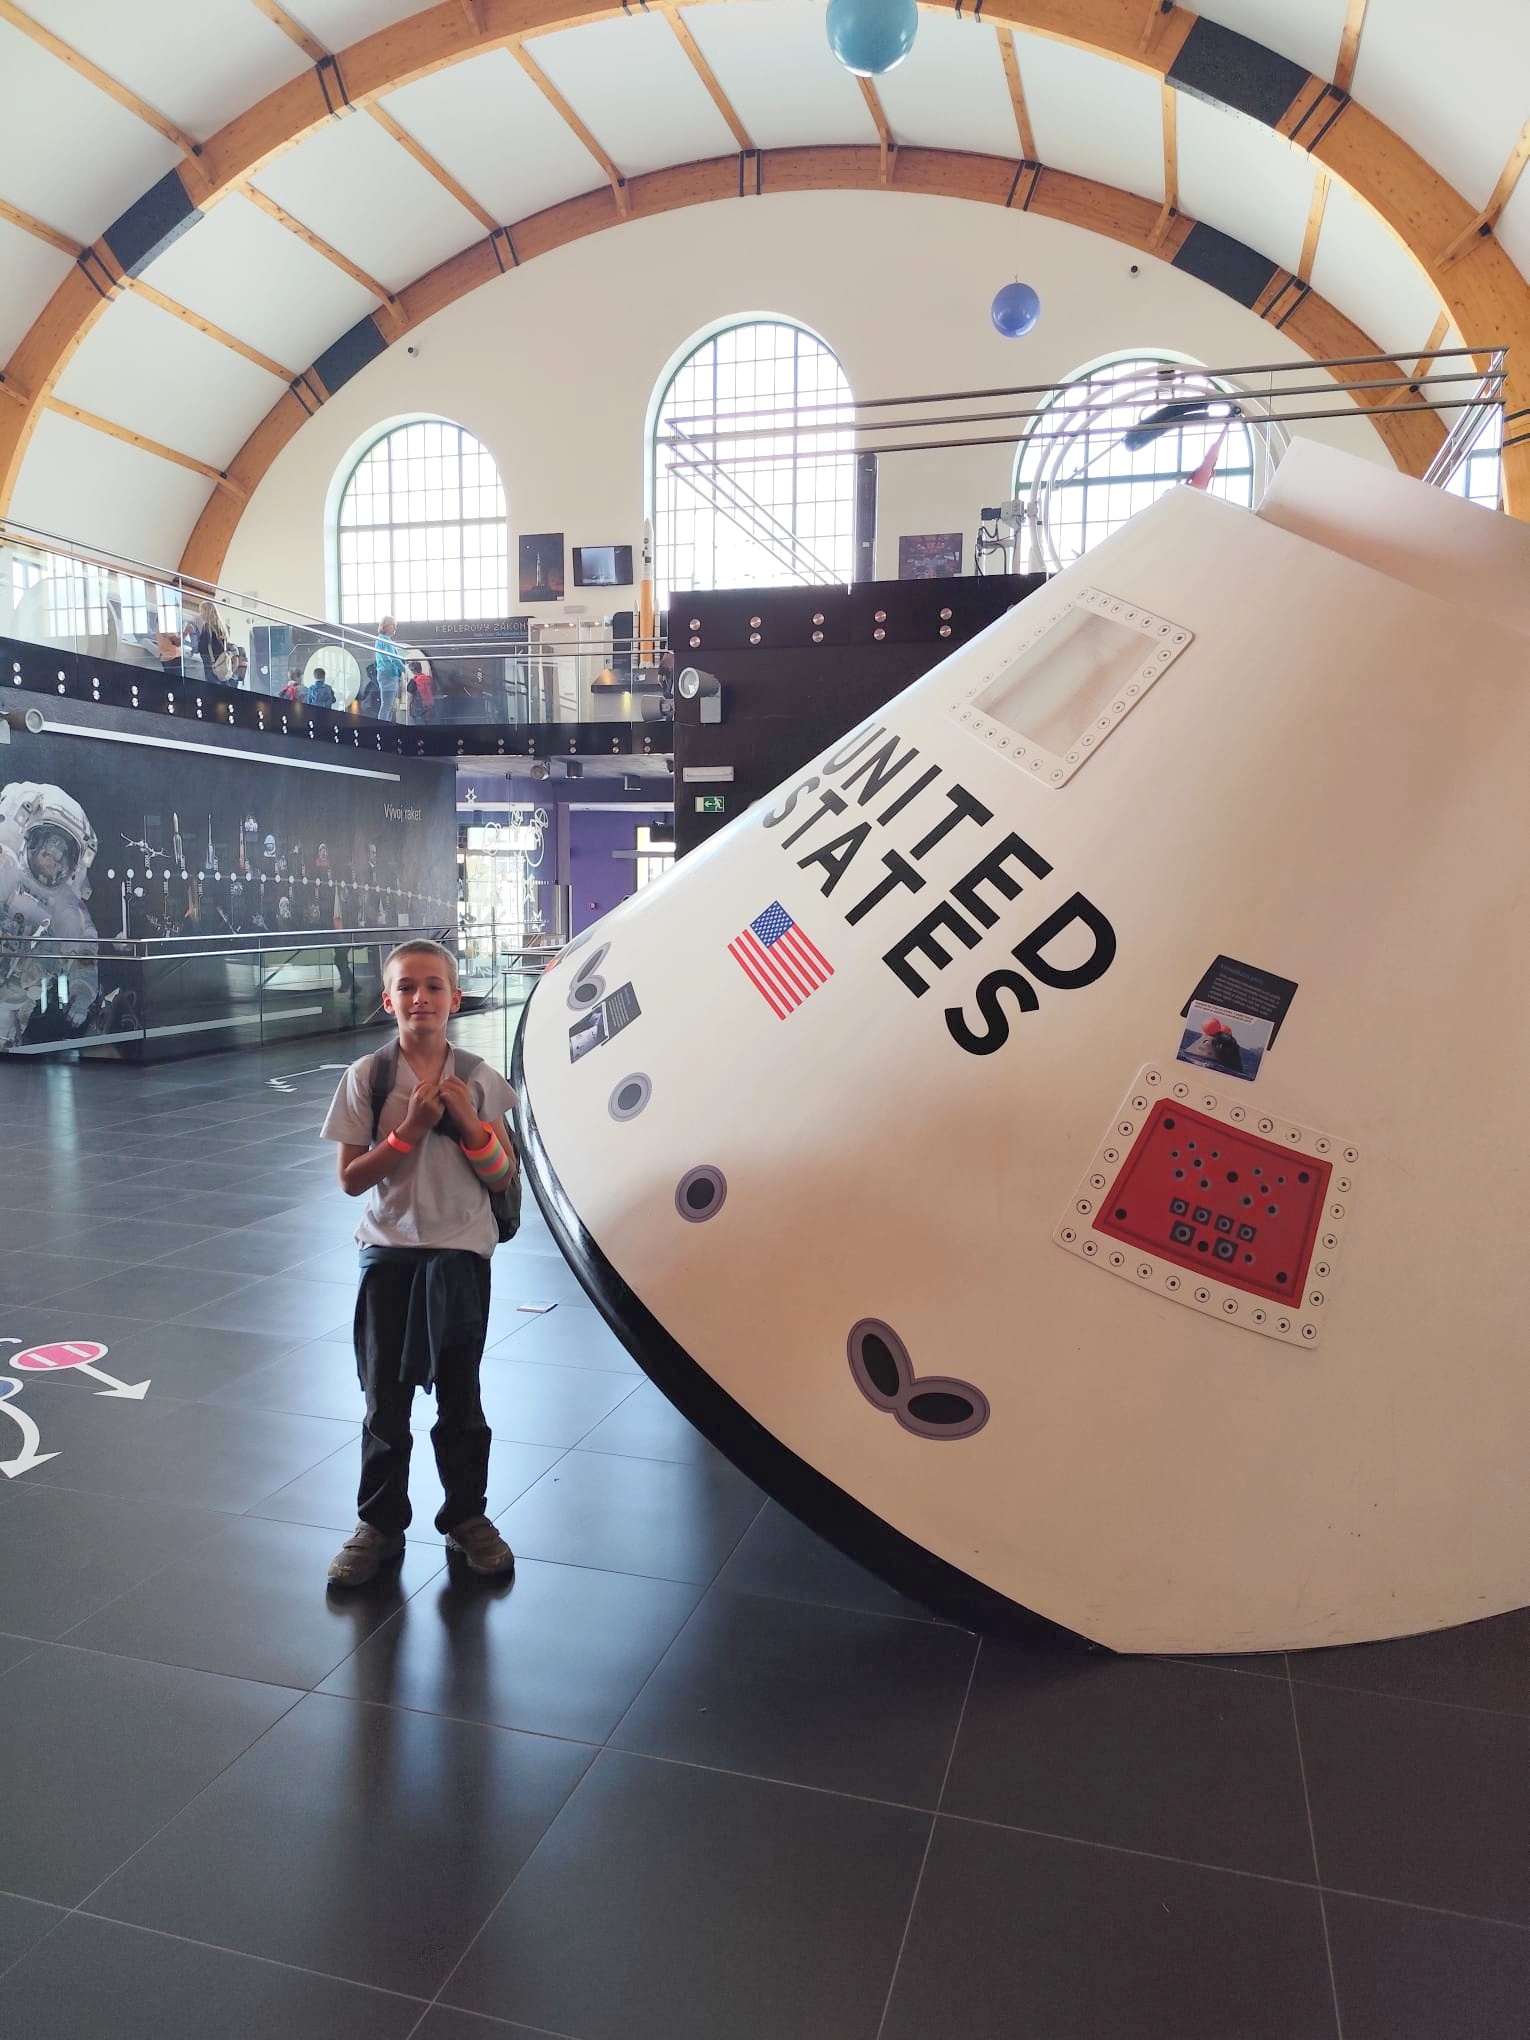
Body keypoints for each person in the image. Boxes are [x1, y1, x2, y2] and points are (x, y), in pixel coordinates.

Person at [321, 939, 519, 1587]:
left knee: (461, 1396)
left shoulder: (480, 1078)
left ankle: (467, 1517)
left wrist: (467, 1121)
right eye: (406, 987)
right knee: (385, 1398)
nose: (420, 997)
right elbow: (351, 1178)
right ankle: (378, 1524)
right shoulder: (368, 1077)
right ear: (388, 1001)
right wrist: (407, 1130)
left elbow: (502, 1173)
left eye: (433, 986)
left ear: (454, 998)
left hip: (460, 1253)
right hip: (389, 1254)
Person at [374, 615, 404, 722]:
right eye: (393, 625)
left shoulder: (382, 640)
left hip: (388, 675)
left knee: (389, 707)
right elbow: (393, 659)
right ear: (385, 626)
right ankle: (382, 728)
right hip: (388, 676)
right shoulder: (385, 640)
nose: (395, 628)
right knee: (387, 706)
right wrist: (405, 669)